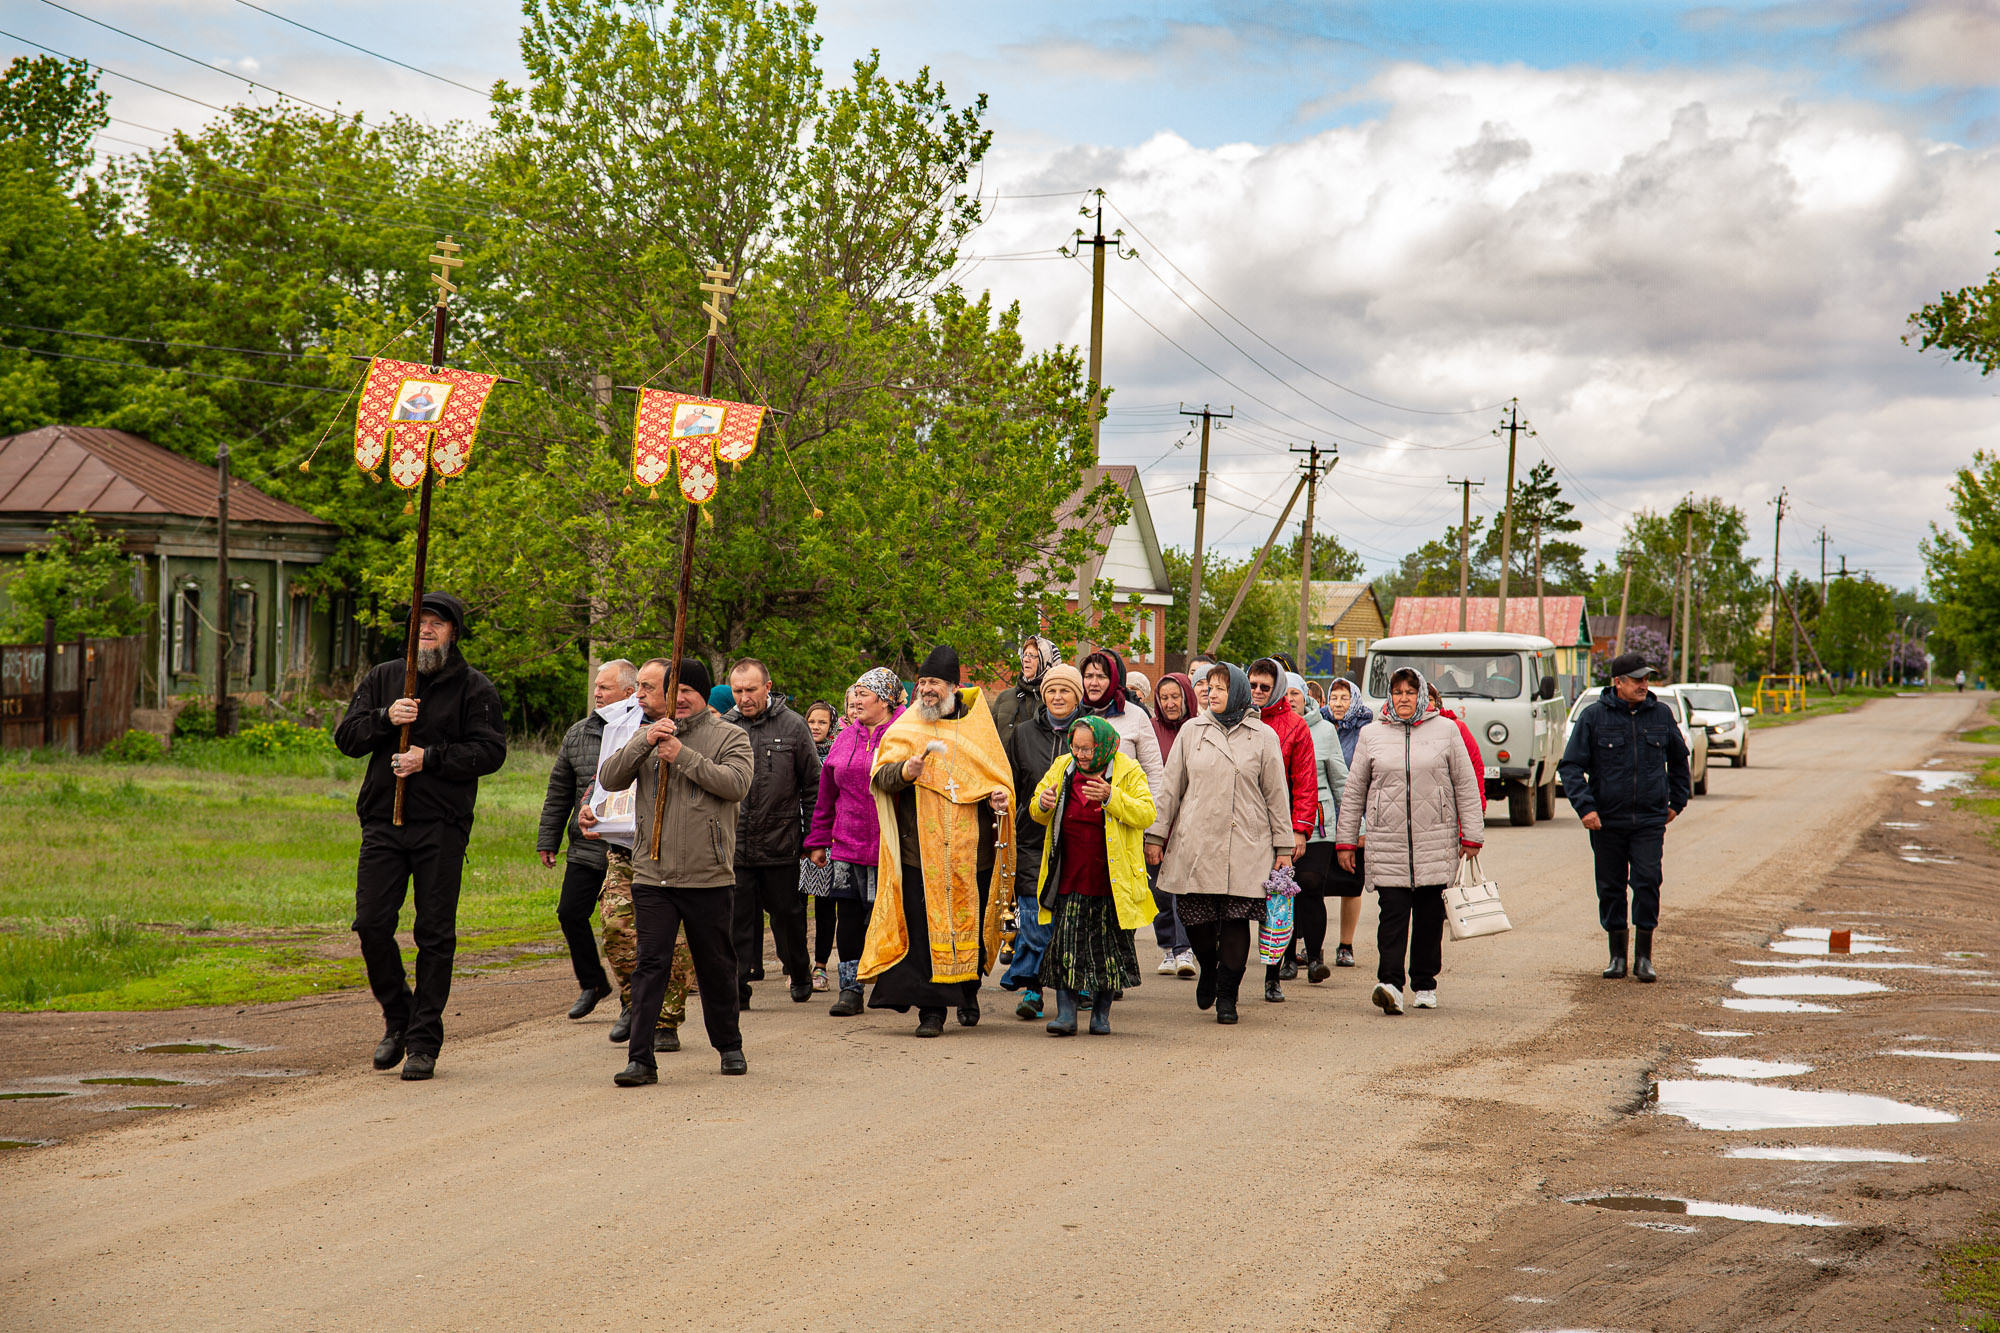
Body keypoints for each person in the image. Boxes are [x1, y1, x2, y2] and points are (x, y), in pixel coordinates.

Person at [333, 591, 507, 1081]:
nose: (427, 629)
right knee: (370, 924)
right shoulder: (384, 678)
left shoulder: (475, 688)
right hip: (383, 824)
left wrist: (429, 758)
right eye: (420, 622)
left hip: (441, 826)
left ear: (454, 632)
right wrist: (385, 718)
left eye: (437, 623)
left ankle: (424, 1042)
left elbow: (491, 753)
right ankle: (399, 1016)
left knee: (434, 934)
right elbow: (346, 739)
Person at [596, 657, 755, 1082]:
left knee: (716, 963)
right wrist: (645, 741)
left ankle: (729, 1046)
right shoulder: (648, 734)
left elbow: (735, 784)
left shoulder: (729, 736)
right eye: (673, 690)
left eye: (688, 690)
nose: (679, 698)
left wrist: (682, 755)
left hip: (708, 874)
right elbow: (610, 779)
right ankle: (641, 1059)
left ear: (703, 694)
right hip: (652, 874)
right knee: (651, 964)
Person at [861, 646, 1015, 1038]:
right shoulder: (907, 726)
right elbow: (881, 776)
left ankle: (968, 992)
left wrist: (999, 798)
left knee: (970, 925)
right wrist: (905, 771)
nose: (927, 690)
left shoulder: (979, 726)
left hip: (972, 852)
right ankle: (931, 1012)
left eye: (935, 683)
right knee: (925, 931)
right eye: (923, 683)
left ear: (954, 686)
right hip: (920, 852)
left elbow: (999, 781)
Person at [1145, 663, 1295, 1025]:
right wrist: (1155, 835)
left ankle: (1227, 995)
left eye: (1220, 688)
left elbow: (1277, 795)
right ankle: (1208, 968)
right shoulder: (1191, 731)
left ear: (1239, 693)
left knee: (1236, 920)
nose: (1211, 693)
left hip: (1247, 843)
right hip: (1196, 841)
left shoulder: (1262, 736)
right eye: (1209, 687)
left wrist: (1284, 848)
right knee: (1195, 917)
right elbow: (1171, 788)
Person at [1335, 667, 1484, 1016]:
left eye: (1410, 691)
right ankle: (1390, 984)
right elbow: (1354, 790)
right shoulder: (1372, 734)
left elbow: (1465, 784)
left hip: (1436, 840)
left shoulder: (1447, 731)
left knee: (1430, 919)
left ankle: (1425, 983)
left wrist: (1472, 835)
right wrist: (1345, 841)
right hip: (1387, 842)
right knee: (1392, 916)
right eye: (1397, 692)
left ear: (1422, 696)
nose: (1404, 698)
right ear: (1390, 696)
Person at [1558, 653, 1690, 983]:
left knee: (1647, 881)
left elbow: (1679, 762)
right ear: (1618, 682)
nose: (1644, 684)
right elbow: (1571, 767)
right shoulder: (1593, 718)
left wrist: (1678, 801)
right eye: (1637, 679)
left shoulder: (1661, 715)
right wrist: (1586, 808)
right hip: (1607, 820)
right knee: (1611, 887)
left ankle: (1644, 958)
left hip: (1649, 820)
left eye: (1647, 678)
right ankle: (1617, 956)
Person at [1028, 716, 1157, 1036]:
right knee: (1066, 944)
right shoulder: (1062, 767)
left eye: (1087, 749)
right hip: (1069, 874)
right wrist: (1044, 803)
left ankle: (1101, 1016)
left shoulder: (1126, 769)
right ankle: (1066, 1015)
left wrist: (1111, 797)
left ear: (1103, 745)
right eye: (1076, 747)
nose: (1080, 755)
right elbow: (1036, 809)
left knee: (1107, 950)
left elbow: (1146, 812)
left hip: (1112, 878)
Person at [535, 659, 636, 1021]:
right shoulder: (578, 733)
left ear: (629, 691)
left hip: (627, 849)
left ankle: (632, 999)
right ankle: (593, 983)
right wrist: (548, 839)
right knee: (570, 913)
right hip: (585, 846)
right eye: (596, 685)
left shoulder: (643, 727)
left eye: (605, 687)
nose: (597, 692)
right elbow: (559, 790)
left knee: (622, 928)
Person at [722, 659, 823, 1007]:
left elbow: (813, 786)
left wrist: (814, 839)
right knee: (737, 920)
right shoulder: (725, 726)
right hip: (735, 844)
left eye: (751, 689)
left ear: (767, 687)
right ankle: (738, 987)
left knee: (788, 916)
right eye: (738, 691)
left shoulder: (794, 726)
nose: (744, 697)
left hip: (781, 841)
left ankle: (799, 970)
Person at [804, 670, 904, 1017]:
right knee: (847, 916)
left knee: (885, 915)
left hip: (891, 845)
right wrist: (818, 840)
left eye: (864, 694)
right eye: (855, 695)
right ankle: (850, 989)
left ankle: (894, 982)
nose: (856, 701)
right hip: (847, 843)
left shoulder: (905, 735)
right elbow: (826, 794)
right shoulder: (845, 739)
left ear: (886, 700)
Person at [1000, 662, 1085, 1018]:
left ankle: (1069, 983)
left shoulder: (1090, 732)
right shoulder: (1021, 734)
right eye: (1051, 690)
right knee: (1034, 917)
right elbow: (1007, 780)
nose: (1057, 696)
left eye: (1065, 690)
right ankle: (1034, 991)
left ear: (1077, 696)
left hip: (1077, 843)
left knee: (1067, 919)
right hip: (1031, 839)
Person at [1247, 658, 1318, 1001]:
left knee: (1276, 901)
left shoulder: (1295, 726)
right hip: (1241, 824)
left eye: (1265, 687)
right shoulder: (1237, 719)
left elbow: (1305, 782)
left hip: (1278, 829)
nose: (1258, 692)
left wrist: (1299, 830)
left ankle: (1273, 974)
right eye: (1253, 685)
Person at [1285, 673, 1349, 982]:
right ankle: (1283, 957)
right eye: (1282, 693)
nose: (1289, 698)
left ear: (1305, 695)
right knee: (1281, 890)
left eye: (1294, 692)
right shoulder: (1267, 726)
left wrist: (1355, 825)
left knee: (1310, 885)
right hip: (1278, 823)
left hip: (1319, 826)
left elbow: (1340, 780)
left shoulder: (1324, 730)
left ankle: (1314, 957)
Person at [1146, 672, 1198, 978]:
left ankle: (1184, 948)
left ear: (1187, 697)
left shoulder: (1197, 730)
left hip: (1189, 822)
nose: (1170, 703)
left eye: (1175, 696)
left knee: (1184, 890)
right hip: (1156, 822)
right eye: (1164, 698)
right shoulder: (1151, 730)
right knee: (1159, 891)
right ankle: (1167, 947)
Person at [1079, 649, 1166, 804]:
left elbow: (1154, 773)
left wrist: (1151, 823)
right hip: (1079, 816)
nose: (1093, 682)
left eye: (1101, 676)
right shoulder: (1076, 714)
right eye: (1088, 676)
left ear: (1114, 679)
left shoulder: (1136, 716)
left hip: (1123, 817)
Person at [800, 699, 839, 992]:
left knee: (826, 905)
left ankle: (821, 966)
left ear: (831, 726)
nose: (815, 727)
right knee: (796, 904)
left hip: (828, 838)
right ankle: (798, 964)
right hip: (798, 837)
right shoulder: (798, 752)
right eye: (811, 721)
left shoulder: (837, 753)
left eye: (822, 722)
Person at [993, 635, 1061, 748]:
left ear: (1047, 660)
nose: (1025, 659)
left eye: (1032, 656)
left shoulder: (1056, 700)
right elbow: (990, 739)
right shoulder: (1004, 698)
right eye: (1024, 655)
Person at [1325, 677, 1372, 766]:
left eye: (1344, 699)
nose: (1338, 704)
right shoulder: (1322, 726)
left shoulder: (1364, 730)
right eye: (1334, 698)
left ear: (1354, 701)